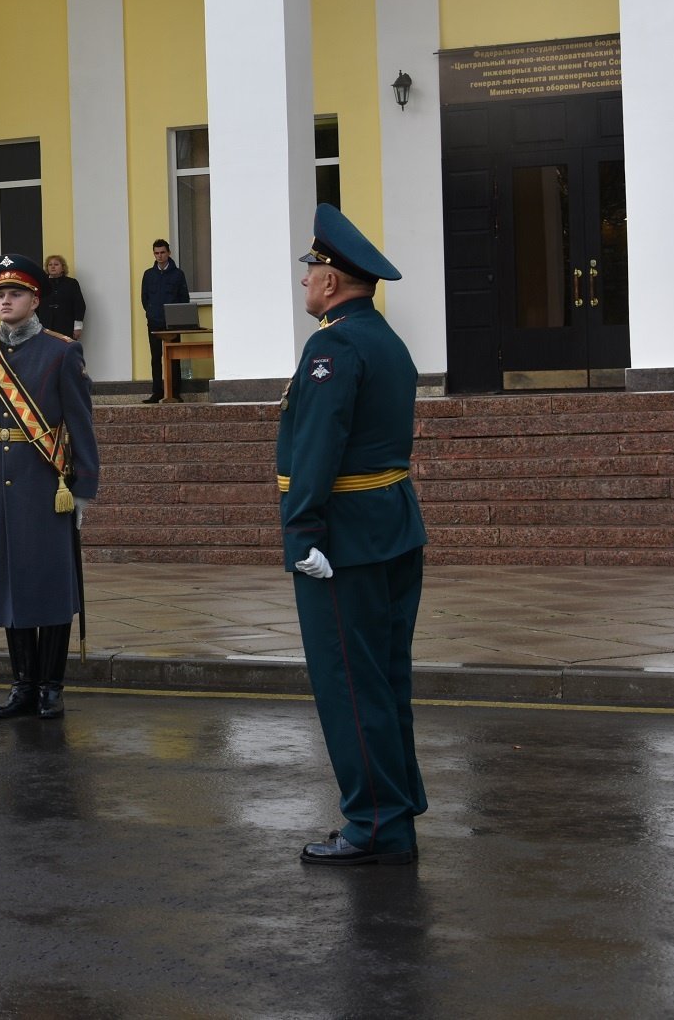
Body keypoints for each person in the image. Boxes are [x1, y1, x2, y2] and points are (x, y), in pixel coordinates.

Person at [280, 205, 428, 867]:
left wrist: (302, 531)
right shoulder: (384, 339)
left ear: (334, 282)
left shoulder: (333, 345)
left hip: (342, 542)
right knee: (386, 678)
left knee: (349, 683)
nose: (305, 280)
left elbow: (317, 446)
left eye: (311, 270)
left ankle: (374, 822)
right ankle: (395, 810)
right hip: (392, 528)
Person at [0, 254, 100, 719]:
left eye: (14, 294)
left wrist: (82, 489)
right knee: (8, 586)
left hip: (45, 482)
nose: (5, 301)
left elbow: (81, 424)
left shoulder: (61, 351)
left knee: (49, 584)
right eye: (0, 294)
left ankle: (51, 685)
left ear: (34, 300)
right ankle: (22, 683)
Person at [139, 238, 191, 403]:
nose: (159, 256)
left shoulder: (178, 274)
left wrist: (177, 317)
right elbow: (144, 298)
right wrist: (151, 312)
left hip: (173, 323)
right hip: (154, 322)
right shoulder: (148, 274)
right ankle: (157, 392)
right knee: (156, 357)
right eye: (156, 253)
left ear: (169, 253)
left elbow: (184, 298)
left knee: (174, 357)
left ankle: (175, 392)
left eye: (162, 252)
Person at [39, 254, 85, 341]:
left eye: (56, 264)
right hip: (44, 326)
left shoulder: (71, 283)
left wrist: (78, 327)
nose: (53, 267)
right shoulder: (42, 283)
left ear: (63, 268)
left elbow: (79, 305)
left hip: (66, 326)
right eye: (50, 265)